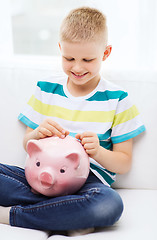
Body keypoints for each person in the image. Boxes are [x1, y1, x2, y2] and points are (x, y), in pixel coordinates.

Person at [0, 7, 145, 231]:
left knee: (109, 205)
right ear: (60, 49)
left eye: (88, 59)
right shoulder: (46, 88)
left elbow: (124, 163)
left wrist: (97, 151)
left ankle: (15, 215)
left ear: (105, 53)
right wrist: (37, 134)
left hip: (88, 183)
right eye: (69, 58)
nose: (77, 67)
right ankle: (68, 212)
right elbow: (27, 143)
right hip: (40, 177)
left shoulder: (118, 99)